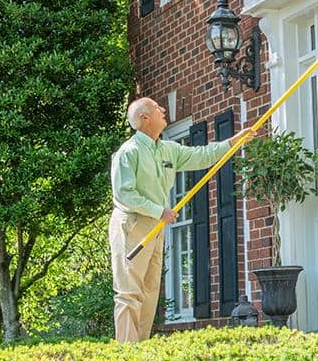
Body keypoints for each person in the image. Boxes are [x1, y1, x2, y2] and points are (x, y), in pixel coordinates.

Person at [109, 97, 255, 342]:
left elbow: (202, 155)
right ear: (144, 117)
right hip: (132, 225)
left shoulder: (168, 149)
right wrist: (158, 211)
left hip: (157, 226)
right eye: (157, 108)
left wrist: (232, 142)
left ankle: (140, 347)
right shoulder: (128, 152)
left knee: (149, 291)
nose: (163, 110)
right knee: (129, 293)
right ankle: (126, 351)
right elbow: (124, 194)